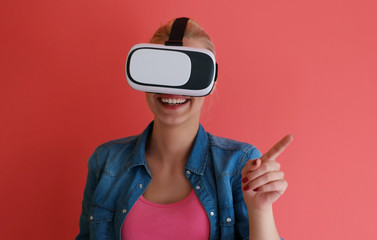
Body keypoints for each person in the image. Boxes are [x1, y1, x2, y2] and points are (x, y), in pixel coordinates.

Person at [76, 18, 293, 240]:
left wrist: (260, 210)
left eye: (190, 74)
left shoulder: (239, 165)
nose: (172, 89)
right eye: (160, 72)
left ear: (211, 82)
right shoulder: (105, 162)